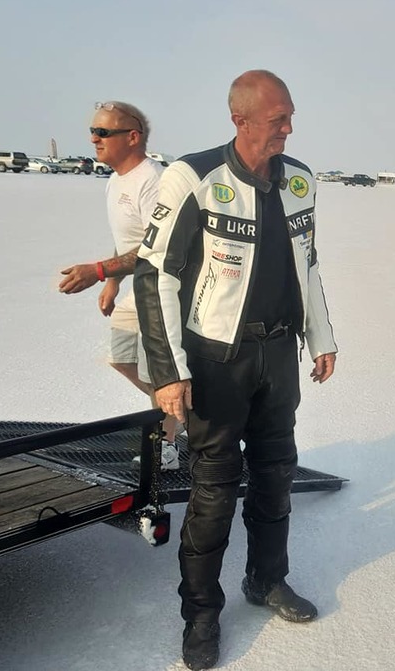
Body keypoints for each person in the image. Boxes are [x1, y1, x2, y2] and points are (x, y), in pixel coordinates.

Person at [133, 70, 338, 671]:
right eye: (278, 119)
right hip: (216, 361)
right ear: (240, 120)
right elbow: (154, 275)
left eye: (290, 116)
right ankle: (201, 615)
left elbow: (308, 264)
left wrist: (320, 337)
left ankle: (267, 579)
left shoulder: (299, 179)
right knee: (214, 492)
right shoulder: (194, 177)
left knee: (276, 476)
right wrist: (168, 372)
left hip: (278, 356)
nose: (289, 129)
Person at [58, 101, 179, 469]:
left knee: (158, 373)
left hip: (164, 291)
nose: (94, 139)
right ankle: (184, 412)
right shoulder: (116, 180)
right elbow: (129, 240)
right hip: (138, 288)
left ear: (132, 137)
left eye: (103, 132)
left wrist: (98, 270)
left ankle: (167, 446)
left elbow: (157, 247)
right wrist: (112, 282)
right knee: (122, 357)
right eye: (93, 131)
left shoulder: (154, 181)